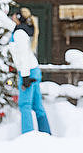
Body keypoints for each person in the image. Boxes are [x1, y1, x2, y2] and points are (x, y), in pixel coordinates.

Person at [9, 7, 51, 135]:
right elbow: (5, 22)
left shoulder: (19, 34)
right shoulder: (21, 29)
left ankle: (27, 136)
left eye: (15, 15)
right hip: (34, 69)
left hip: (27, 71)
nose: (12, 16)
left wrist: (25, 77)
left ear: (19, 18)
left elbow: (23, 56)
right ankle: (46, 133)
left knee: (24, 105)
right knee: (38, 106)